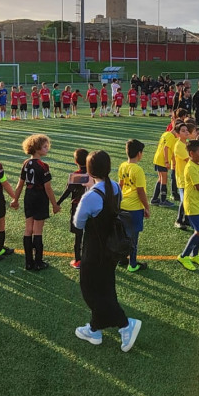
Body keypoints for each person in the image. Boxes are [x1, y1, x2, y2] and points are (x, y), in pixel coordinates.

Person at [72, 150, 142, 352]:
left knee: (91, 291)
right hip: (111, 248)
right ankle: (94, 329)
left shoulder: (91, 196)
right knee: (105, 289)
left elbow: (78, 222)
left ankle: (125, 324)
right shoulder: (115, 187)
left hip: (94, 250)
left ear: (90, 170)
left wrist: (87, 192)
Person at [16, 134, 60, 271]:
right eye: (45, 147)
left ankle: (28, 262)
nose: (47, 149)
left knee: (28, 228)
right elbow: (48, 188)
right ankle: (38, 261)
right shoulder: (43, 166)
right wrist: (55, 204)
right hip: (40, 197)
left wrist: (15, 199)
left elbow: (20, 184)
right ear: (36, 148)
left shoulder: (26, 163)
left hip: (29, 196)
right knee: (38, 230)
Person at [176, 140, 199, 270]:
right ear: (191, 153)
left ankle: (194, 255)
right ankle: (183, 256)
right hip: (192, 203)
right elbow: (198, 186)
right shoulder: (191, 167)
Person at [118, 139, 150, 272]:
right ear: (139, 153)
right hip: (134, 208)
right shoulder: (138, 170)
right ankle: (132, 264)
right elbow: (140, 191)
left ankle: (121, 258)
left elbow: (120, 185)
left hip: (123, 205)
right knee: (133, 238)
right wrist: (146, 207)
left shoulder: (123, 166)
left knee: (123, 235)